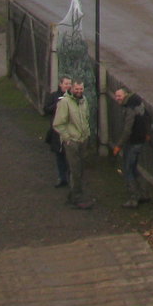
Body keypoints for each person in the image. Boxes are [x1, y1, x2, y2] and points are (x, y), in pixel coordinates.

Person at [52, 79, 94, 209]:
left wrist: (87, 135)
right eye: (76, 89)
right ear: (71, 89)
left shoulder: (83, 101)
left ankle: (73, 194)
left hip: (83, 139)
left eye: (81, 89)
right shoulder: (64, 102)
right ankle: (77, 198)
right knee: (75, 169)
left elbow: (86, 118)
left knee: (80, 169)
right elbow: (58, 124)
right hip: (72, 141)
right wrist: (67, 138)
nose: (79, 91)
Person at [110, 86, 151, 207]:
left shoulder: (130, 108)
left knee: (128, 169)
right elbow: (147, 117)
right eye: (116, 96)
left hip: (133, 142)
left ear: (125, 95)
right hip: (140, 140)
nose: (117, 98)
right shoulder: (138, 103)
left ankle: (134, 198)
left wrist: (118, 146)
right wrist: (147, 133)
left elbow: (127, 130)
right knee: (134, 168)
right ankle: (144, 194)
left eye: (119, 96)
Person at [43, 76, 73, 187]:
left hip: (69, 131)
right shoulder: (54, 96)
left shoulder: (73, 97)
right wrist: (57, 105)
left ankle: (71, 178)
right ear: (60, 84)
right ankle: (62, 178)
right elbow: (46, 110)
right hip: (56, 132)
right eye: (66, 84)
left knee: (69, 156)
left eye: (69, 84)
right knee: (59, 156)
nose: (68, 86)